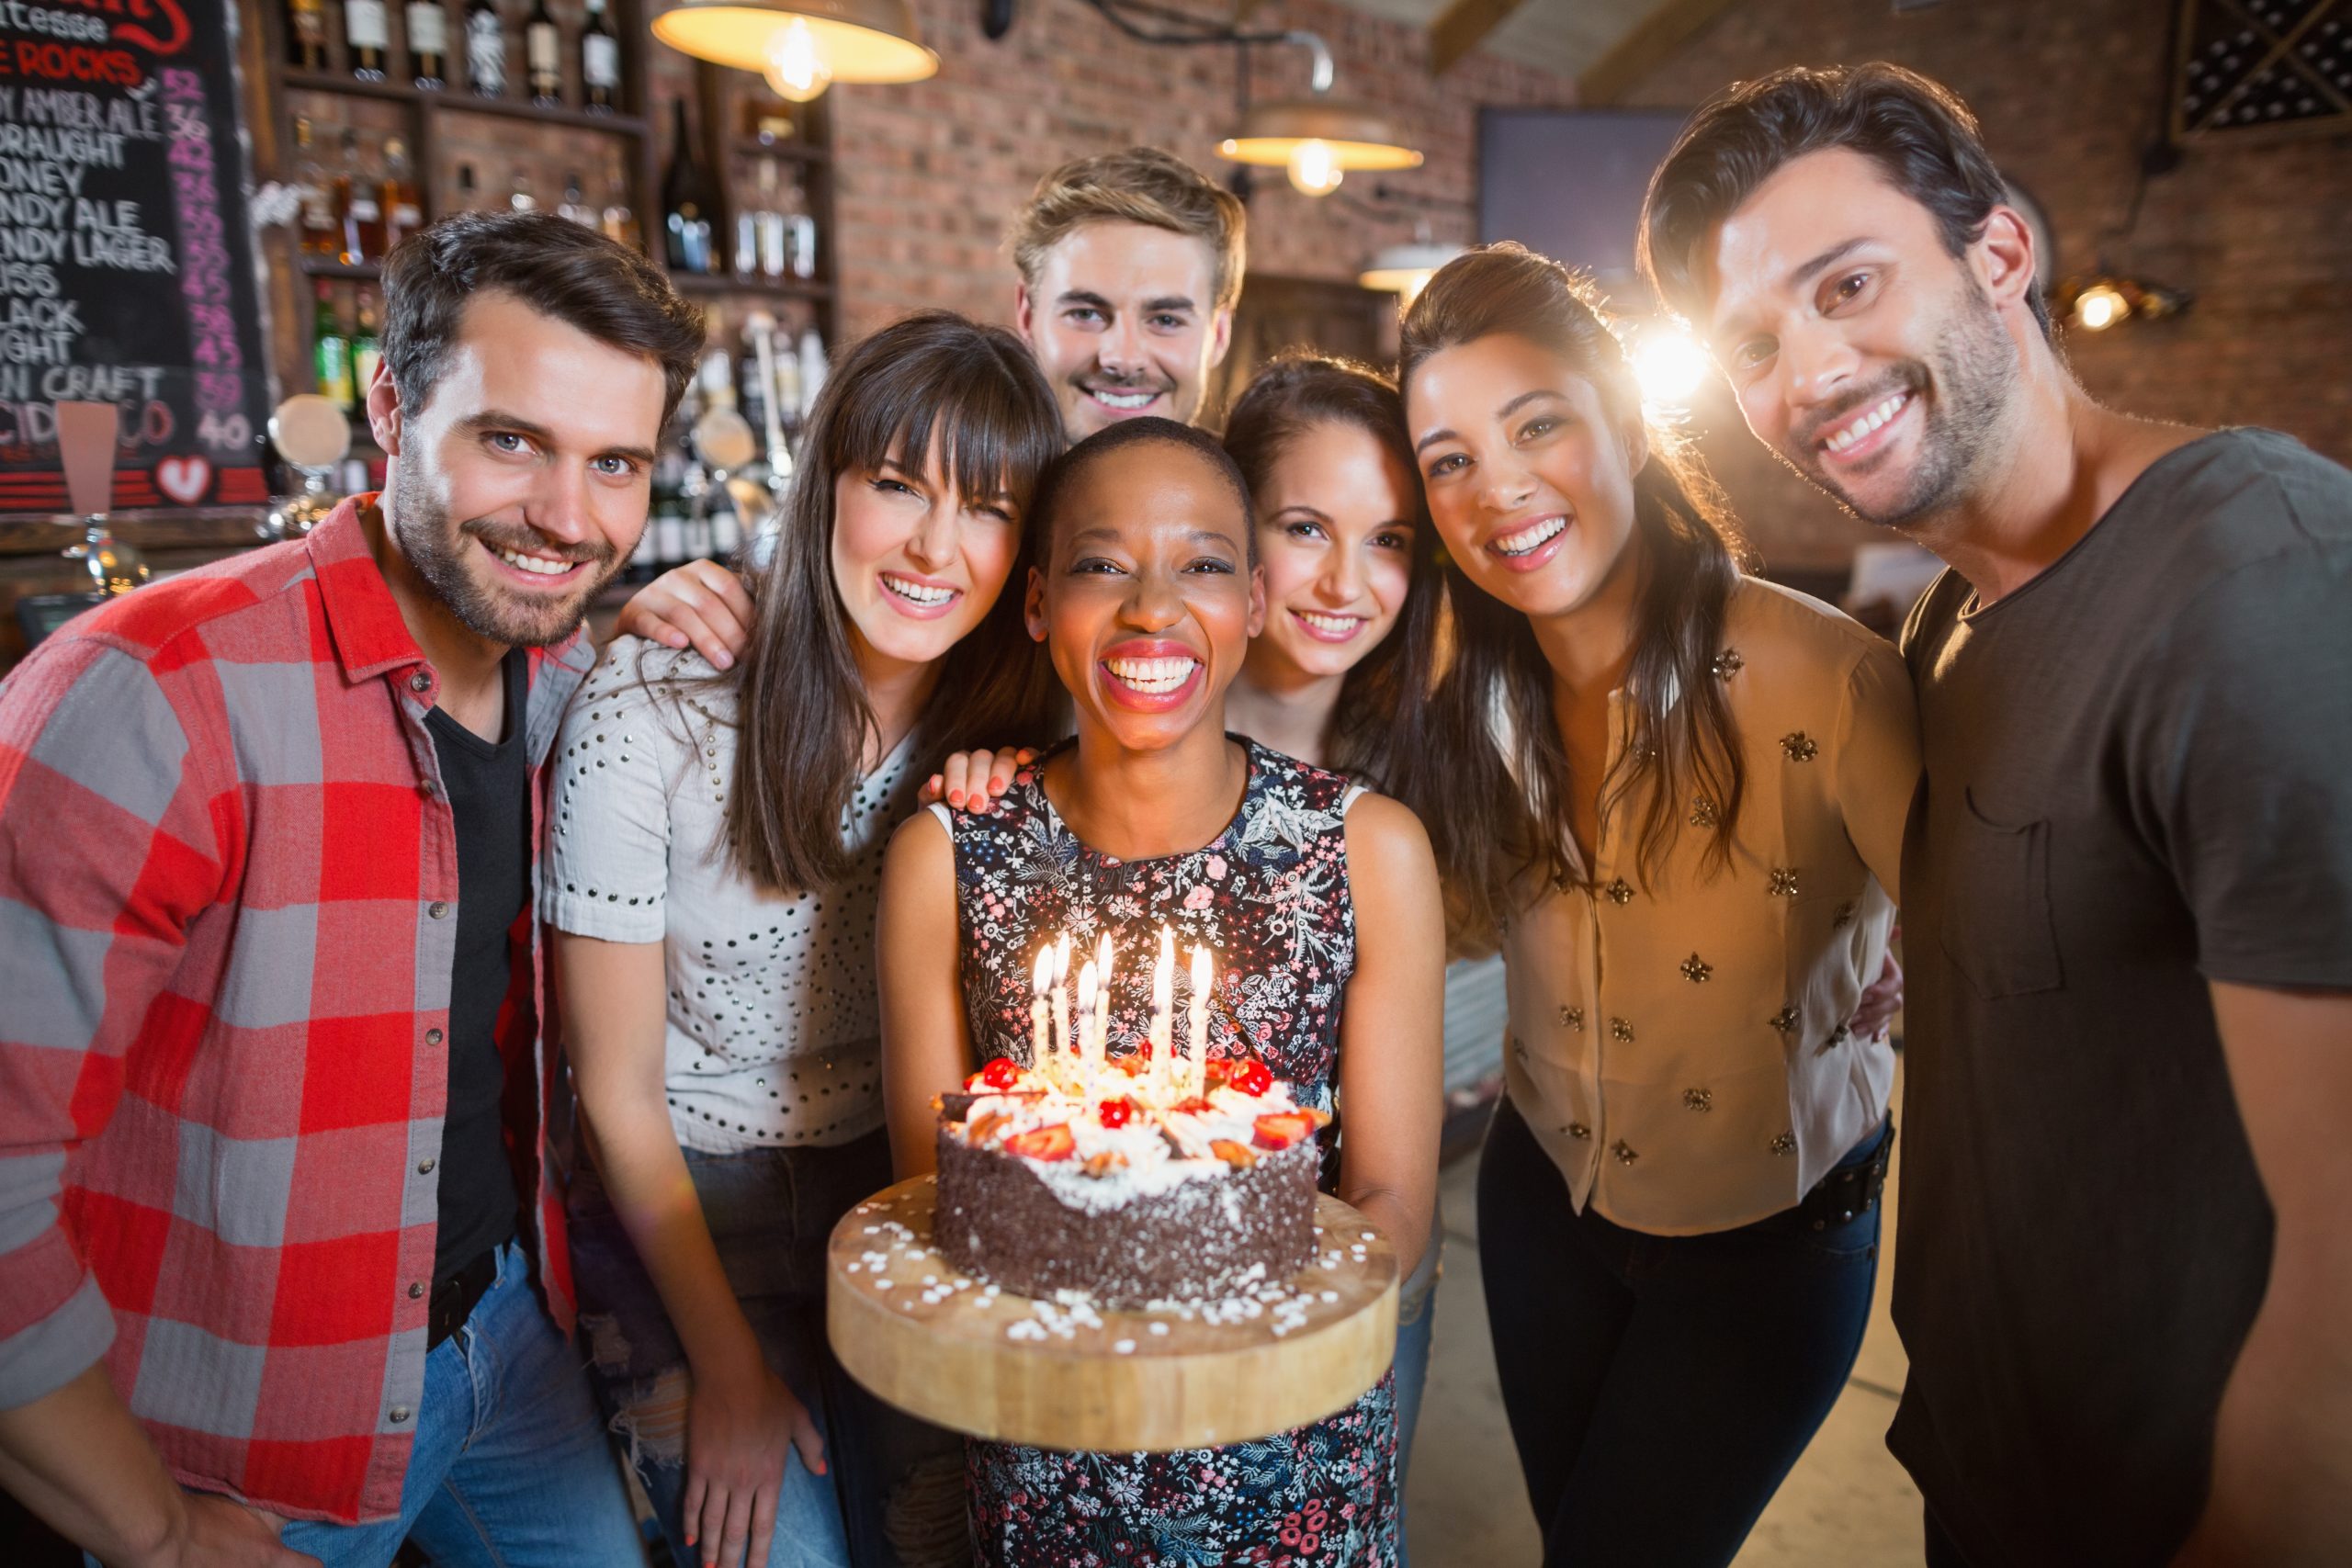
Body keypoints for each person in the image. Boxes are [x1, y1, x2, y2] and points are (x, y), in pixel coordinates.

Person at [1640, 62, 2352, 1566]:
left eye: (1850, 284)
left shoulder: (2253, 573)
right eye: (1755, 343)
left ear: (2003, 253)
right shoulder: (1945, 628)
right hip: (1998, 1475)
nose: (1811, 371)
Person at [0, 210, 705, 1568]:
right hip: (244, 1445)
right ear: (390, 403)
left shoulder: (569, 692)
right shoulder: (151, 693)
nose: (572, 516)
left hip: (510, 1329)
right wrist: (148, 1529)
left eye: (615, 463)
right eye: (513, 440)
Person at [1384, 243, 1917, 1568]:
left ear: (1627, 415)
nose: (1497, 488)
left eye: (1537, 423)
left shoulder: (1827, 680)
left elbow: (2009, 959)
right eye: (1447, 458)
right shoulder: (1469, 693)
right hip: (1538, 1198)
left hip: (1768, 1244)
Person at [873, 417, 1446, 1566]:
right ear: (1036, 603)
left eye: (1203, 563)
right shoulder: (946, 855)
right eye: (1101, 564)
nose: (1151, 607)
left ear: (1253, 603)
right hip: (1046, 1462)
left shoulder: (1367, 850)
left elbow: (1391, 1205)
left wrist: (1210, 1336)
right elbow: (943, 1200)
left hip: (1291, 1455)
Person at [545, 311, 1063, 1568]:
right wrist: (724, 1369)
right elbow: (610, 1093)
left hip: (897, 1195)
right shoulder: (660, 705)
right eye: (896, 486)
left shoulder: (1011, 744)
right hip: (678, 1203)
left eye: (988, 508)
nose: (937, 546)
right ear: (826, 480)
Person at [610, 144, 1246, 669]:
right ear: (1027, 315)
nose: (1121, 354)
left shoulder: (1258, 540)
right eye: (1085, 312)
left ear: (1217, 334)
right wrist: (668, 621)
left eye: (1164, 318)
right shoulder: (949, 548)